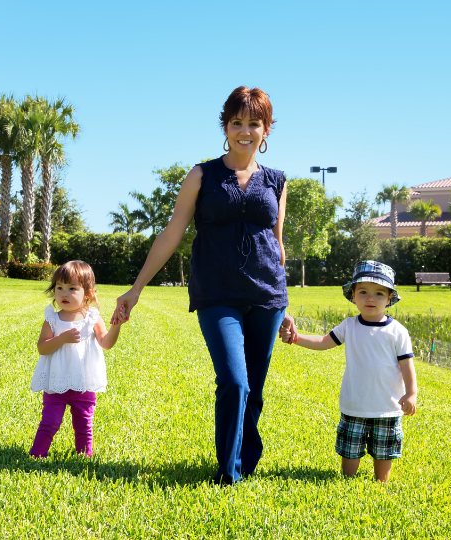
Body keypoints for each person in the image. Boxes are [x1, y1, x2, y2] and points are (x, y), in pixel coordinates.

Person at [111, 86, 298, 484]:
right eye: (236, 123)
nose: (244, 131)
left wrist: (286, 304)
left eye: (254, 123)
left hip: (267, 296)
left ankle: (245, 460)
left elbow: (278, 247)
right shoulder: (202, 175)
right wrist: (136, 288)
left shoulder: (278, 181)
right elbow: (171, 233)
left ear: (267, 130)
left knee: (255, 390)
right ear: (225, 126)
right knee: (234, 380)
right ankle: (228, 475)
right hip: (217, 295)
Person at [280, 261, 418, 482]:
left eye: (379, 293)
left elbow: (407, 365)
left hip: (387, 406)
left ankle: (380, 483)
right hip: (355, 403)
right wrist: (296, 338)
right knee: (350, 447)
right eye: (363, 292)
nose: (370, 298)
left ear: (389, 298)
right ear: (353, 295)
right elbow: (324, 341)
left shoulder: (397, 331)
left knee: (384, 450)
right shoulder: (349, 326)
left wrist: (411, 393)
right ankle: (347, 481)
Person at [29, 260, 123, 458]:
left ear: (87, 293)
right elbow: (42, 348)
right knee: (50, 422)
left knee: (84, 423)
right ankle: (37, 454)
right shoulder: (52, 319)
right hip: (57, 381)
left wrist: (116, 325)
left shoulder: (92, 317)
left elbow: (105, 343)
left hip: (83, 381)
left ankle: (84, 456)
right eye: (59, 287)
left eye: (72, 288)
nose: (64, 293)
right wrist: (61, 339)